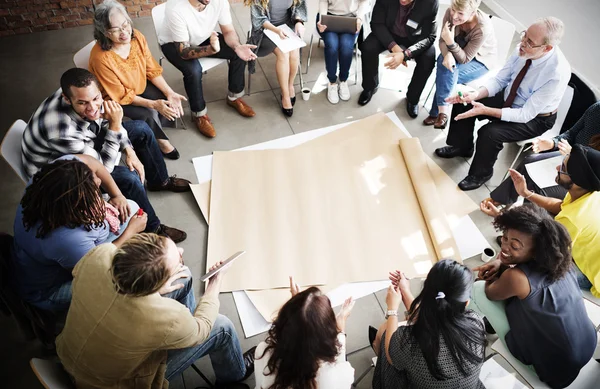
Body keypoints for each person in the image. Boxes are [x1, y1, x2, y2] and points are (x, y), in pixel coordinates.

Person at [56, 233, 256, 389]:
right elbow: (202, 329)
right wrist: (216, 281)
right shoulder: (169, 319)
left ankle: (180, 336)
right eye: (176, 256)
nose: (182, 249)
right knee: (222, 327)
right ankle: (234, 375)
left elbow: (92, 280)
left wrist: (153, 288)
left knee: (183, 278)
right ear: (153, 285)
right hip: (115, 385)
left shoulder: (100, 254)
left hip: (69, 356)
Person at [22, 68, 190, 243]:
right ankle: (152, 228)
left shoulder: (83, 92)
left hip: (83, 141)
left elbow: (103, 122)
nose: (93, 107)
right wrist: (116, 126)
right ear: (66, 98)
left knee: (141, 129)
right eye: (83, 103)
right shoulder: (61, 131)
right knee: (129, 178)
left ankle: (159, 181)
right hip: (59, 176)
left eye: (96, 99)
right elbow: (103, 168)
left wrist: (129, 151)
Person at [435, 17, 571, 191]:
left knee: (490, 133)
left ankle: (481, 174)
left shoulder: (557, 73)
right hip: (510, 96)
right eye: (524, 35)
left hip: (536, 118)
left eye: (529, 41)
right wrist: (475, 95)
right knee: (464, 102)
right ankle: (462, 146)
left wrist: (485, 110)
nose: (522, 42)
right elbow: (500, 80)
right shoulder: (523, 49)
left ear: (547, 48)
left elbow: (525, 114)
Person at [471, 204, 597, 388]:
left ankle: (465, 323)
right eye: (504, 238)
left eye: (514, 246)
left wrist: (494, 274)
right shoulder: (561, 258)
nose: (504, 247)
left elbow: (490, 293)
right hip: (587, 344)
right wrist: (501, 262)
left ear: (537, 250)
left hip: (555, 372)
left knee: (478, 289)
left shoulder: (517, 278)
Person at [11, 155, 146, 312]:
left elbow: (92, 163)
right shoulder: (65, 239)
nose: (98, 182)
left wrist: (118, 195)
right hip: (48, 290)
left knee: (130, 207)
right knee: (120, 284)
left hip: (52, 256)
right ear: (74, 206)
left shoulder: (56, 177)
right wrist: (130, 232)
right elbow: (96, 267)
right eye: (91, 192)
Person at [481, 145, 600, 298]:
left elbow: (539, 253)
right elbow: (559, 206)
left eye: (563, 168)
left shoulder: (573, 220)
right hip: (586, 251)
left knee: (522, 278)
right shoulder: (588, 193)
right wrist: (525, 193)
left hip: (592, 278)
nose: (557, 167)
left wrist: (501, 219)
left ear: (576, 181)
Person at [370, 259, 487, 389]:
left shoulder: (409, 344)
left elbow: (391, 356)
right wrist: (405, 291)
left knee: (385, 331)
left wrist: (392, 309)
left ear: (425, 292)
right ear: (466, 303)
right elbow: (433, 316)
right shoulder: (476, 323)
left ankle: (376, 347)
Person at [90, 0, 183, 159]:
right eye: (116, 29)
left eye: (125, 24)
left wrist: (169, 92)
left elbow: (151, 69)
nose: (124, 32)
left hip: (138, 83)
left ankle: (156, 129)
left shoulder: (137, 37)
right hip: (115, 98)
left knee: (164, 99)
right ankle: (161, 142)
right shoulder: (100, 58)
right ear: (105, 32)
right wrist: (153, 104)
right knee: (147, 113)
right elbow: (120, 94)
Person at [159, 0, 257, 138]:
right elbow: (184, 52)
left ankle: (234, 98)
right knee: (193, 71)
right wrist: (211, 49)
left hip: (203, 38)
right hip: (174, 44)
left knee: (239, 53)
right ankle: (199, 114)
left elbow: (228, 31)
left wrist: (236, 46)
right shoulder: (175, 7)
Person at [485, 101, 600, 206]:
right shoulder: (596, 109)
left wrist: (575, 156)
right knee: (529, 162)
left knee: (539, 189)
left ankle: (524, 220)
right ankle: (502, 199)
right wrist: (552, 143)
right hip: (568, 157)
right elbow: (571, 133)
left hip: (586, 181)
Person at [254, 277, 355, 388]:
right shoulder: (337, 376)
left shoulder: (263, 352)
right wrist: (340, 329)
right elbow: (338, 358)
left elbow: (260, 384)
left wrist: (297, 316)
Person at [423, 0, 496, 129]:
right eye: (453, 10)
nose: (454, 16)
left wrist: (450, 42)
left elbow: (465, 59)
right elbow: (441, 41)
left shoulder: (482, 28)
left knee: (446, 74)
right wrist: (447, 54)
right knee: (444, 64)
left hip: (481, 60)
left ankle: (438, 113)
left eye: (460, 13)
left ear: (473, 12)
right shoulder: (450, 13)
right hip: (458, 51)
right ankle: (442, 114)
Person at [357, 0, 438, 118]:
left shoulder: (430, 2)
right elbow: (376, 23)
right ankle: (370, 87)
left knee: (428, 59)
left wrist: (406, 54)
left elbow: (429, 36)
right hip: (388, 33)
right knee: (368, 48)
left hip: (414, 38)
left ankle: (412, 98)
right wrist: (395, 48)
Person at [246, 0, 307, 117]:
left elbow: (299, 6)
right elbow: (259, 19)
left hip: (287, 28)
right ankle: (285, 95)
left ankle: (290, 85)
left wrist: (299, 22)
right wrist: (277, 30)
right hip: (265, 31)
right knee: (284, 53)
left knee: (294, 51)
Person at [316, 0, 369, 104]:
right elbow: (323, 1)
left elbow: (364, 1)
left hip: (351, 19)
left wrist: (359, 18)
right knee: (332, 46)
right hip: (329, 16)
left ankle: (343, 80)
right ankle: (331, 82)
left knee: (346, 47)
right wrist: (322, 18)